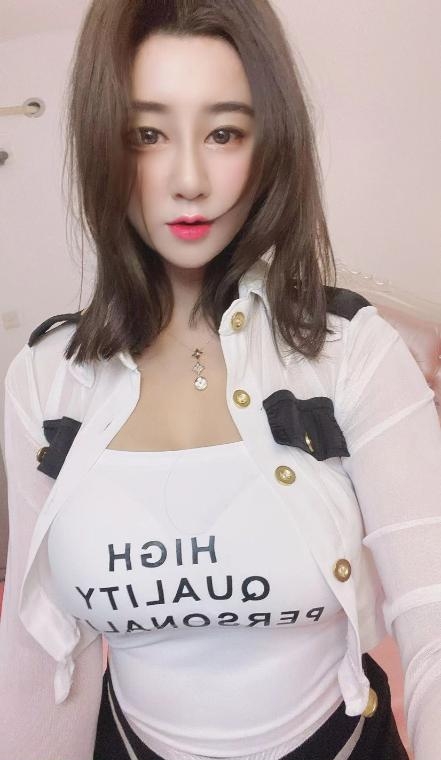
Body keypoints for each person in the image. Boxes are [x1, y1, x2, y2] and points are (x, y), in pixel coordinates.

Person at [0, 1, 440, 759]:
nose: (189, 180)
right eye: (147, 135)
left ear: (269, 146)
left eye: (224, 133)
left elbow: (433, 617)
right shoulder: (46, 377)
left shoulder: (354, 351)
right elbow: (36, 657)